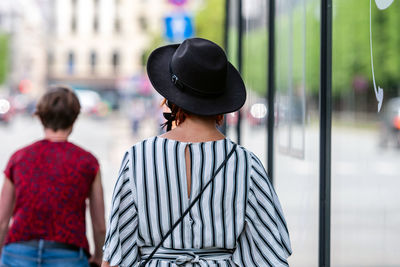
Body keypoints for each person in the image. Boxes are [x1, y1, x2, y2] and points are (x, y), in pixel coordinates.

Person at [102, 38, 292, 267]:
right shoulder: (246, 165)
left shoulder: (138, 158)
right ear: (221, 101)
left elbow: (117, 253)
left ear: (171, 99)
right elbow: (268, 253)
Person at [0, 86, 106, 267]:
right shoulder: (88, 162)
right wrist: (97, 256)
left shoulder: (19, 158)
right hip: (68, 254)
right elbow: (99, 225)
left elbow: (2, 220)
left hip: (19, 252)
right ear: (74, 119)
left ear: (40, 117)